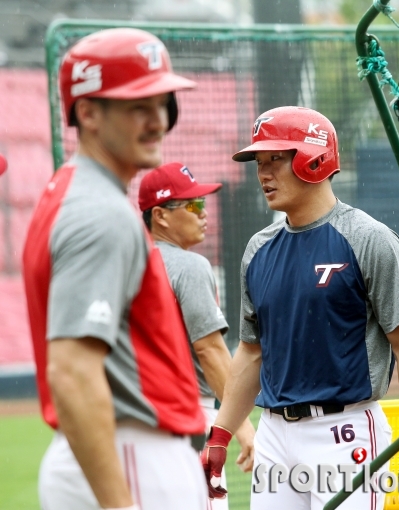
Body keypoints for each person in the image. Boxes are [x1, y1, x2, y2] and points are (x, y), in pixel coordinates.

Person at [200, 106, 399, 510]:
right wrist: (221, 433)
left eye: (275, 160)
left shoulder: (368, 239)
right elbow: (251, 351)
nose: (263, 174)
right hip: (273, 436)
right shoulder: (258, 249)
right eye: (259, 163)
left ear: (314, 159)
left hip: (345, 433)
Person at [22, 28, 207, 510]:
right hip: (131, 455)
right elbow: (73, 371)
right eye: (136, 105)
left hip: (122, 450)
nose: (157, 121)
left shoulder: (69, 190)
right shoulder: (100, 212)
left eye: (162, 104)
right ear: (87, 112)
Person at [138, 162, 255, 508]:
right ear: (160, 215)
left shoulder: (123, 262)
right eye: (193, 205)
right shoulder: (189, 267)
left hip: (131, 423)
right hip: (187, 418)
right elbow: (210, 350)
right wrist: (242, 427)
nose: (203, 213)